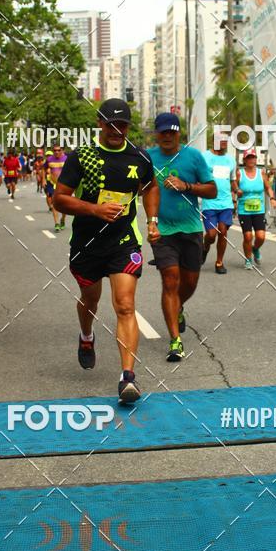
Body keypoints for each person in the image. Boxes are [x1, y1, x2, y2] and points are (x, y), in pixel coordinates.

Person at [53, 98, 160, 403]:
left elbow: (151, 186)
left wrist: (152, 221)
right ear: (100, 123)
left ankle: (128, 378)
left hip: (124, 242)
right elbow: (60, 199)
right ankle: (86, 336)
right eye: (111, 124)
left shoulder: (139, 156)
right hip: (87, 243)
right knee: (90, 300)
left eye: (122, 124)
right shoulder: (82, 157)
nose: (116, 130)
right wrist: (94, 209)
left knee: (125, 305)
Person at [148, 112, 217, 361]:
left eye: (172, 132)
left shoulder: (193, 157)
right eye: (163, 132)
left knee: (189, 283)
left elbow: (212, 189)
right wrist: (151, 222)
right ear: (156, 133)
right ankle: (175, 341)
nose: (167, 136)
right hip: (163, 230)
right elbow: (141, 191)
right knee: (170, 281)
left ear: (179, 133)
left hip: (190, 229)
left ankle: (179, 308)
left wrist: (186, 186)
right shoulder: (148, 158)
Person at [236, 149, 276, 269]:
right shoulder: (240, 173)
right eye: (248, 158)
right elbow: (234, 187)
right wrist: (235, 196)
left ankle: (255, 249)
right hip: (244, 210)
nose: (251, 160)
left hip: (259, 210)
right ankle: (248, 259)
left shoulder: (261, 173)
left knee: (260, 237)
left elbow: (268, 188)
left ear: (256, 159)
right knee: (248, 236)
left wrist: (272, 198)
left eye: (252, 157)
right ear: (244, 160)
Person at [202, 136, 238, 274]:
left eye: (225, 141)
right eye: (221, 140)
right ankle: (205, 248)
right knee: (211, 234)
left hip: (226, 202)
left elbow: (232, 180)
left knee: (222, 231)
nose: (224, 143)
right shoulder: (205, 156)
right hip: (209, 201)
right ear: (214, 141)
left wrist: (237, 190)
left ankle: (219, 262)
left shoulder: (230, 159)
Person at [44, 144, 68, 231]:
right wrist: (43, 180)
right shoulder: (49, 159)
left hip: (64, 184)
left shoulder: (66, 159)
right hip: (53, 183)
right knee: (54, 204)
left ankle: (63, 219)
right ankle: (57, 223)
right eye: (55, 150)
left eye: (59, 150)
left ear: (62, 150)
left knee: (64, 205)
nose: (57, 152)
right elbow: (44, 169)